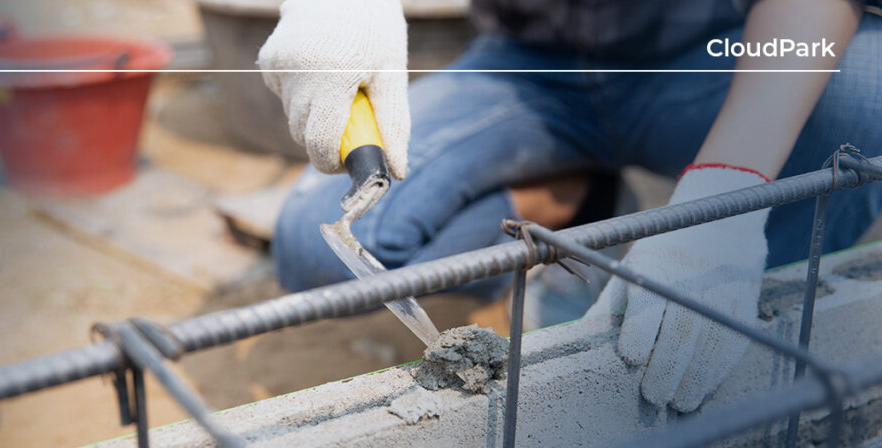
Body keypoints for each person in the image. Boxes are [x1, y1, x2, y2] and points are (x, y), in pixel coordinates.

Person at [257, 0, 882, 412]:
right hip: (531, 69)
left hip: (712, 55)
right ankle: (575, 199)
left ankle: (736, 346)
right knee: (314, 246)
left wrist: (727, 190)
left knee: (867, 91)